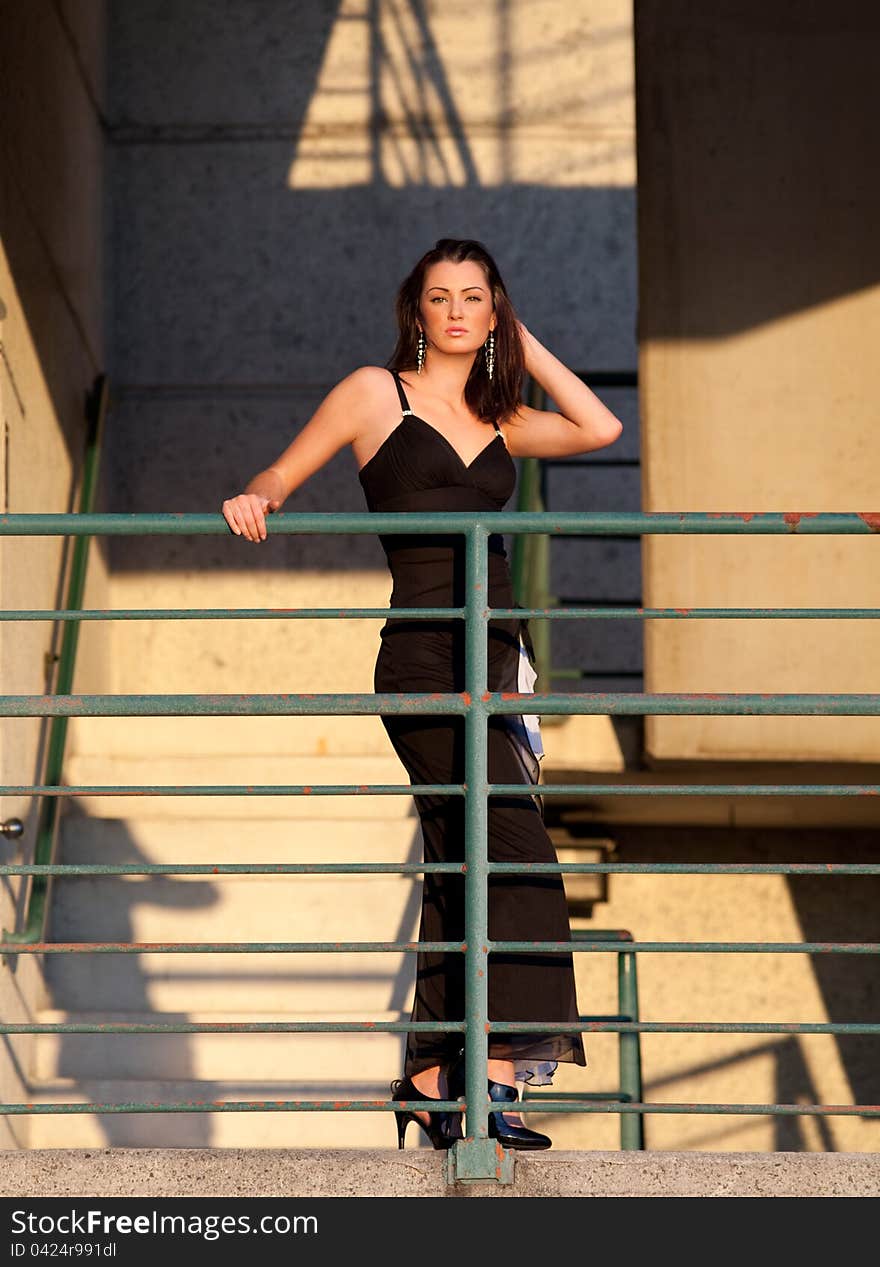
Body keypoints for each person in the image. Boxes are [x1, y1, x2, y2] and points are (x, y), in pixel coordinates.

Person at [221, 237, 624, 1151]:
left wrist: (520, 338)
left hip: (493, 654)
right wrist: (257, 495)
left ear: (492, 313)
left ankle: (438, 1077)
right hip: (420, 659)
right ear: (416, 309)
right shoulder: (375, 393)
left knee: (461, 860)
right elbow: (284, 472)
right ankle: (491, 1077)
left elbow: (600, 428)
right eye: (438, 296)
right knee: (513, 853)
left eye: (473, 298)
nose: (453, 310)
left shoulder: (504, 414)